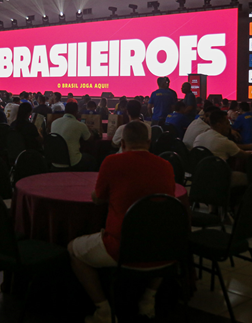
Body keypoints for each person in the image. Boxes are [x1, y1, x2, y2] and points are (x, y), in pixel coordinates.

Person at [68, 121, 175, 323]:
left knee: (73, 249)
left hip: (121, 248)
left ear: (123, 144)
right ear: (149, 142)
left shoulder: (111, 162)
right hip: (164, 249)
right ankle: (148, 300)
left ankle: (103, 311)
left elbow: (98, 198)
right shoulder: (166, 166)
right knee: (162, 239)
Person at [193, 109, 250, 186]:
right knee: (248, 178)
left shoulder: (199, 137)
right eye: (227, 123)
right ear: (219, 125)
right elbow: (245, 155)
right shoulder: (223, 141)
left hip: (200, 178)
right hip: (219, 178)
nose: (229, 126)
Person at [51, 101, 94, 170]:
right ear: (76, 112)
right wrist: (89, 129)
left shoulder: (54, 122)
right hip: (73, 161)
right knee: (92, 159)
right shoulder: (80, 125)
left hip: (55, 161)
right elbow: (89, 139)